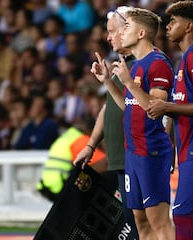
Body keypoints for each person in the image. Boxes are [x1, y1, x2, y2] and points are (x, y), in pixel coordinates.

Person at [89, 7, 175, 240]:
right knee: (140, 221)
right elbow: (131, 108)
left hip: (151, 151)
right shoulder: (136, 65)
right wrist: (109, 82)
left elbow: (157, 108)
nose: (121, 31)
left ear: (141, 34)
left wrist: (130, 83)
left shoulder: (158, 63)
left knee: (159, 221)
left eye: (127, 26)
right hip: (133, 153)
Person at [147, 1, 193, 239]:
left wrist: (166, 106)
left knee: (182, 213)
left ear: (189, 26)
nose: (167, 27)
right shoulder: (187, 58)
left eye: (173, 21)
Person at [74, 6, 139, 239]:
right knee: (133, 223)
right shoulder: (122, 67)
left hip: (137, 157)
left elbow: (147, 111)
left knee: (145, 223)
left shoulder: (145, 64)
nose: (107, 37)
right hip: (122, 158)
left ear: (130, 29)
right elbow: (108, 108)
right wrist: (91, 146)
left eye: (112, 31)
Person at [37, 117, 107, 202]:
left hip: (48, 186)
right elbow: (104, 162)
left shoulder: (67, 136)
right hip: (61, 188)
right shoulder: (81, 140)